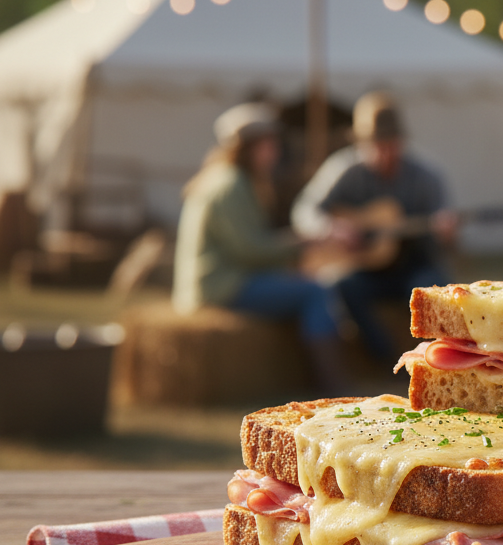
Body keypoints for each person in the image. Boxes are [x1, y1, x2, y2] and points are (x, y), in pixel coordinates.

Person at [173, 103, 349, 393]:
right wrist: (302, 242)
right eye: (267, 143)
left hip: (223, 282)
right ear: (246, 148)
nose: (274, 150)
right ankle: (332, 384)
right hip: (221, 287)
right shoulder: (230, 185)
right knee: (316, 291)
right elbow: (249, 250)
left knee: (307, 287)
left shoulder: (228, 179)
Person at [292, 91, 456, 364]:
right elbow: (304, 209)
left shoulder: (427, 176)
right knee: (339, 286)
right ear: (361, 144)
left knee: (430, 290)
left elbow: (445, 233)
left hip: (413, 265)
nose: (384, 153)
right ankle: (382, 355)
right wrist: (331, 228)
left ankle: (438, 359)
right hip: (366, 268)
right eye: (376, 146)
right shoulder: (344, 169)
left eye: (390, 144)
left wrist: (446, 233)